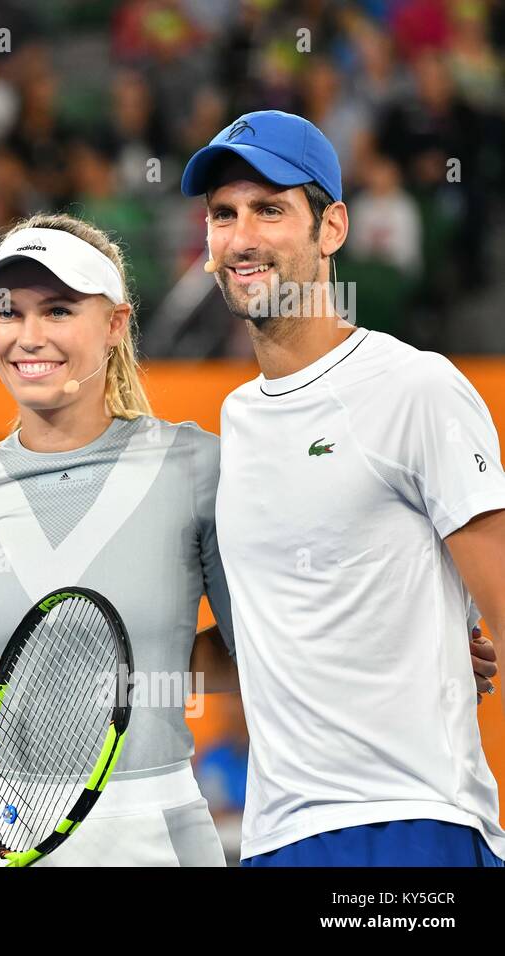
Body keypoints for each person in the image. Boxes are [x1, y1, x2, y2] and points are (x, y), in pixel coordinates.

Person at [181, 109, 505, 866]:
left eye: (270, 209)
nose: (242, 236)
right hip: (275, 838)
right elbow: (266, 642)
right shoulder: (235, 420)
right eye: (223, 214)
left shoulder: (414, 387)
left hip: (412, 826)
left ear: (332, 228)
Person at [0, 213, 239, 867]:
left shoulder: (198, 467)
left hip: (158, 841)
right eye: (9, 312)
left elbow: (254, 650)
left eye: (58, 310)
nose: (29, 338)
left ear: (115, 324)